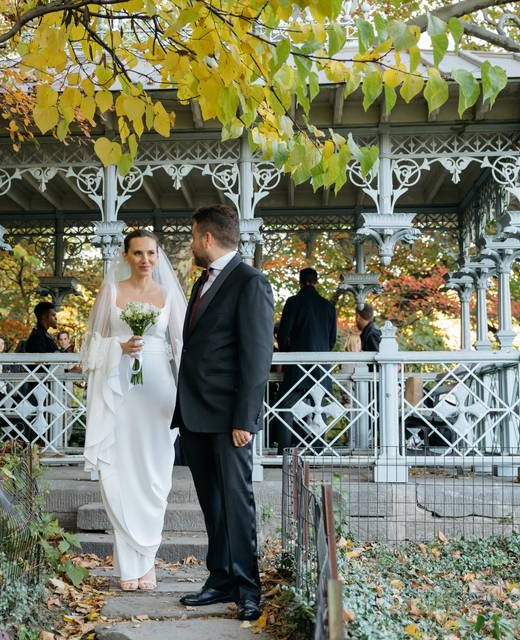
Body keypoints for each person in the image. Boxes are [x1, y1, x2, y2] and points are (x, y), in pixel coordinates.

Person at [172, 204, 274, 622]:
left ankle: (249, 588)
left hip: (229, 418)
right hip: (195, 414)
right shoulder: (201, 283)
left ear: (208, 238)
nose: (192, 244)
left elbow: (256, 356)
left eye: (194, 236)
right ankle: (220, 579)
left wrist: (243, 420)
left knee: (236, 500)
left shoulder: (250, 282)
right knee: (212, 502)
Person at [80, 229, 186, 593]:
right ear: (126, 256)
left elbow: (181, 348)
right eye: (138, 253)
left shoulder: (169, 294)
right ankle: (128, 564)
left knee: (155, 476)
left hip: (157, 391)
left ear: (159, 256)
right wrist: (117, 348)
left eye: (151, 253)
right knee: (120, 474)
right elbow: (90, 348)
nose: (145, 260)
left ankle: (148, 559)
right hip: (119, 388)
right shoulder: (111, 291)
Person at [275, 268, 338, 453]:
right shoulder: (328, 306)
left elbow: (283, 334)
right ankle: (318, 450)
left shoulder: (293, 302)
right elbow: (332, 339)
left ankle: (285, 452)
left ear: (300, 282)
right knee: (319, 407)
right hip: (321, 368)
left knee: (285, 406)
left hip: (297, 368)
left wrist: (288, 355)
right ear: (316, 282)